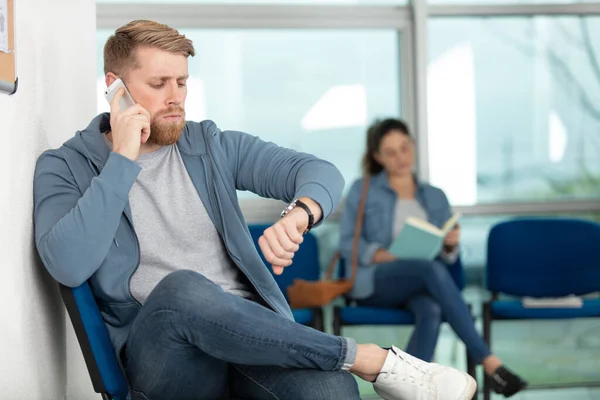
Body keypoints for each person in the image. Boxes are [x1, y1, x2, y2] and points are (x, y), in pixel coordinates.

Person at [33, 20, 477, 400]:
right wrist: (122, 160)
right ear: (115, 87)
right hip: (165, 357)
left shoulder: (210, 144)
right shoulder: (66, 166)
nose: (176, 98)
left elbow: (318, 171)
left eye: (182, 82)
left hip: (254, 339)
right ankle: (367, 358)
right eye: (158, 84)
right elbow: (67, 265)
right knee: (183, 289)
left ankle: (347, 364)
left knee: (330, 389)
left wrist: (299, 213)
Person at [339, 118, 528, 398]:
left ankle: (410, 391)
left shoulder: (435, 196)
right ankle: (489, 362)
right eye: (391, 152)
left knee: (431, 308)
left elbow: (448, 258)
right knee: (429, 269)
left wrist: (450, 246)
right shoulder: (362, 189)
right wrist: (381, 254)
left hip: (420, 282)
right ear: (378, 157)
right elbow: (346, 243)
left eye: (405, 148)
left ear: (413, 146)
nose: (401, 157)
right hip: (377, 282)